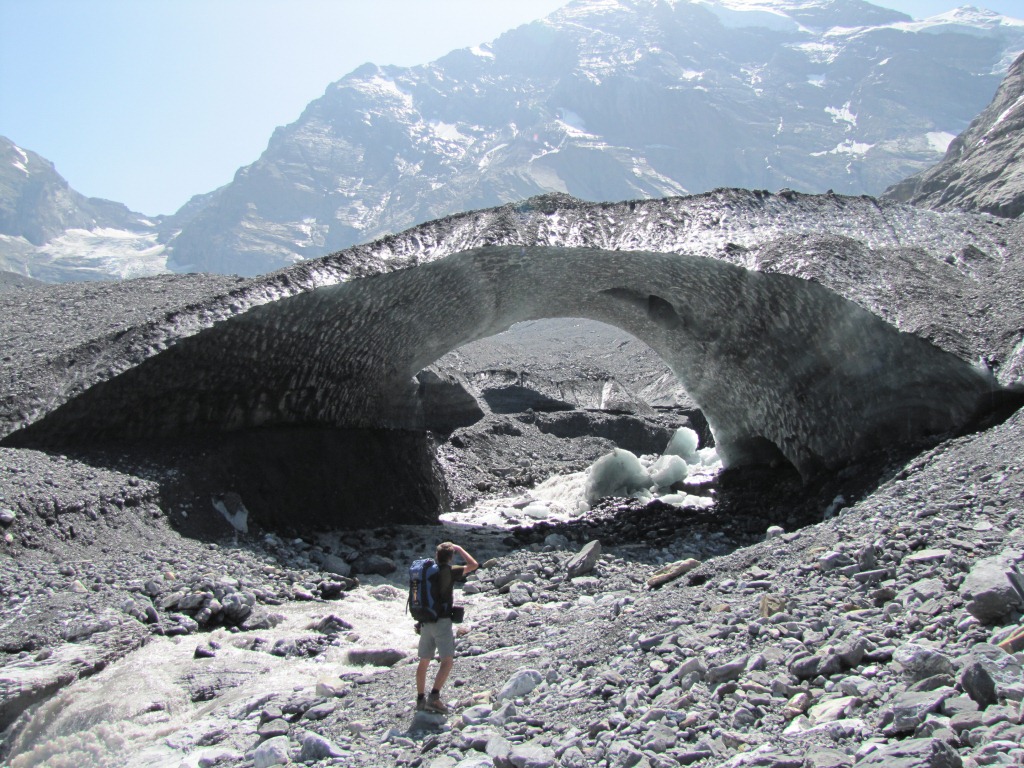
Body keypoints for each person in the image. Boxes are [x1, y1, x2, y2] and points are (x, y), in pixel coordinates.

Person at [416, 541, 478, 714]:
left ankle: (420, 699)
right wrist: (460, 548)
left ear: (436, 556)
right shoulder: (450, 572)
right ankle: (434, 698)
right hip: (442, 621)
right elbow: (473, 565)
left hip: (426, 620)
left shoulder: (427, 572)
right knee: (447, 661)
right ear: (450, 557)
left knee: (424, 661)